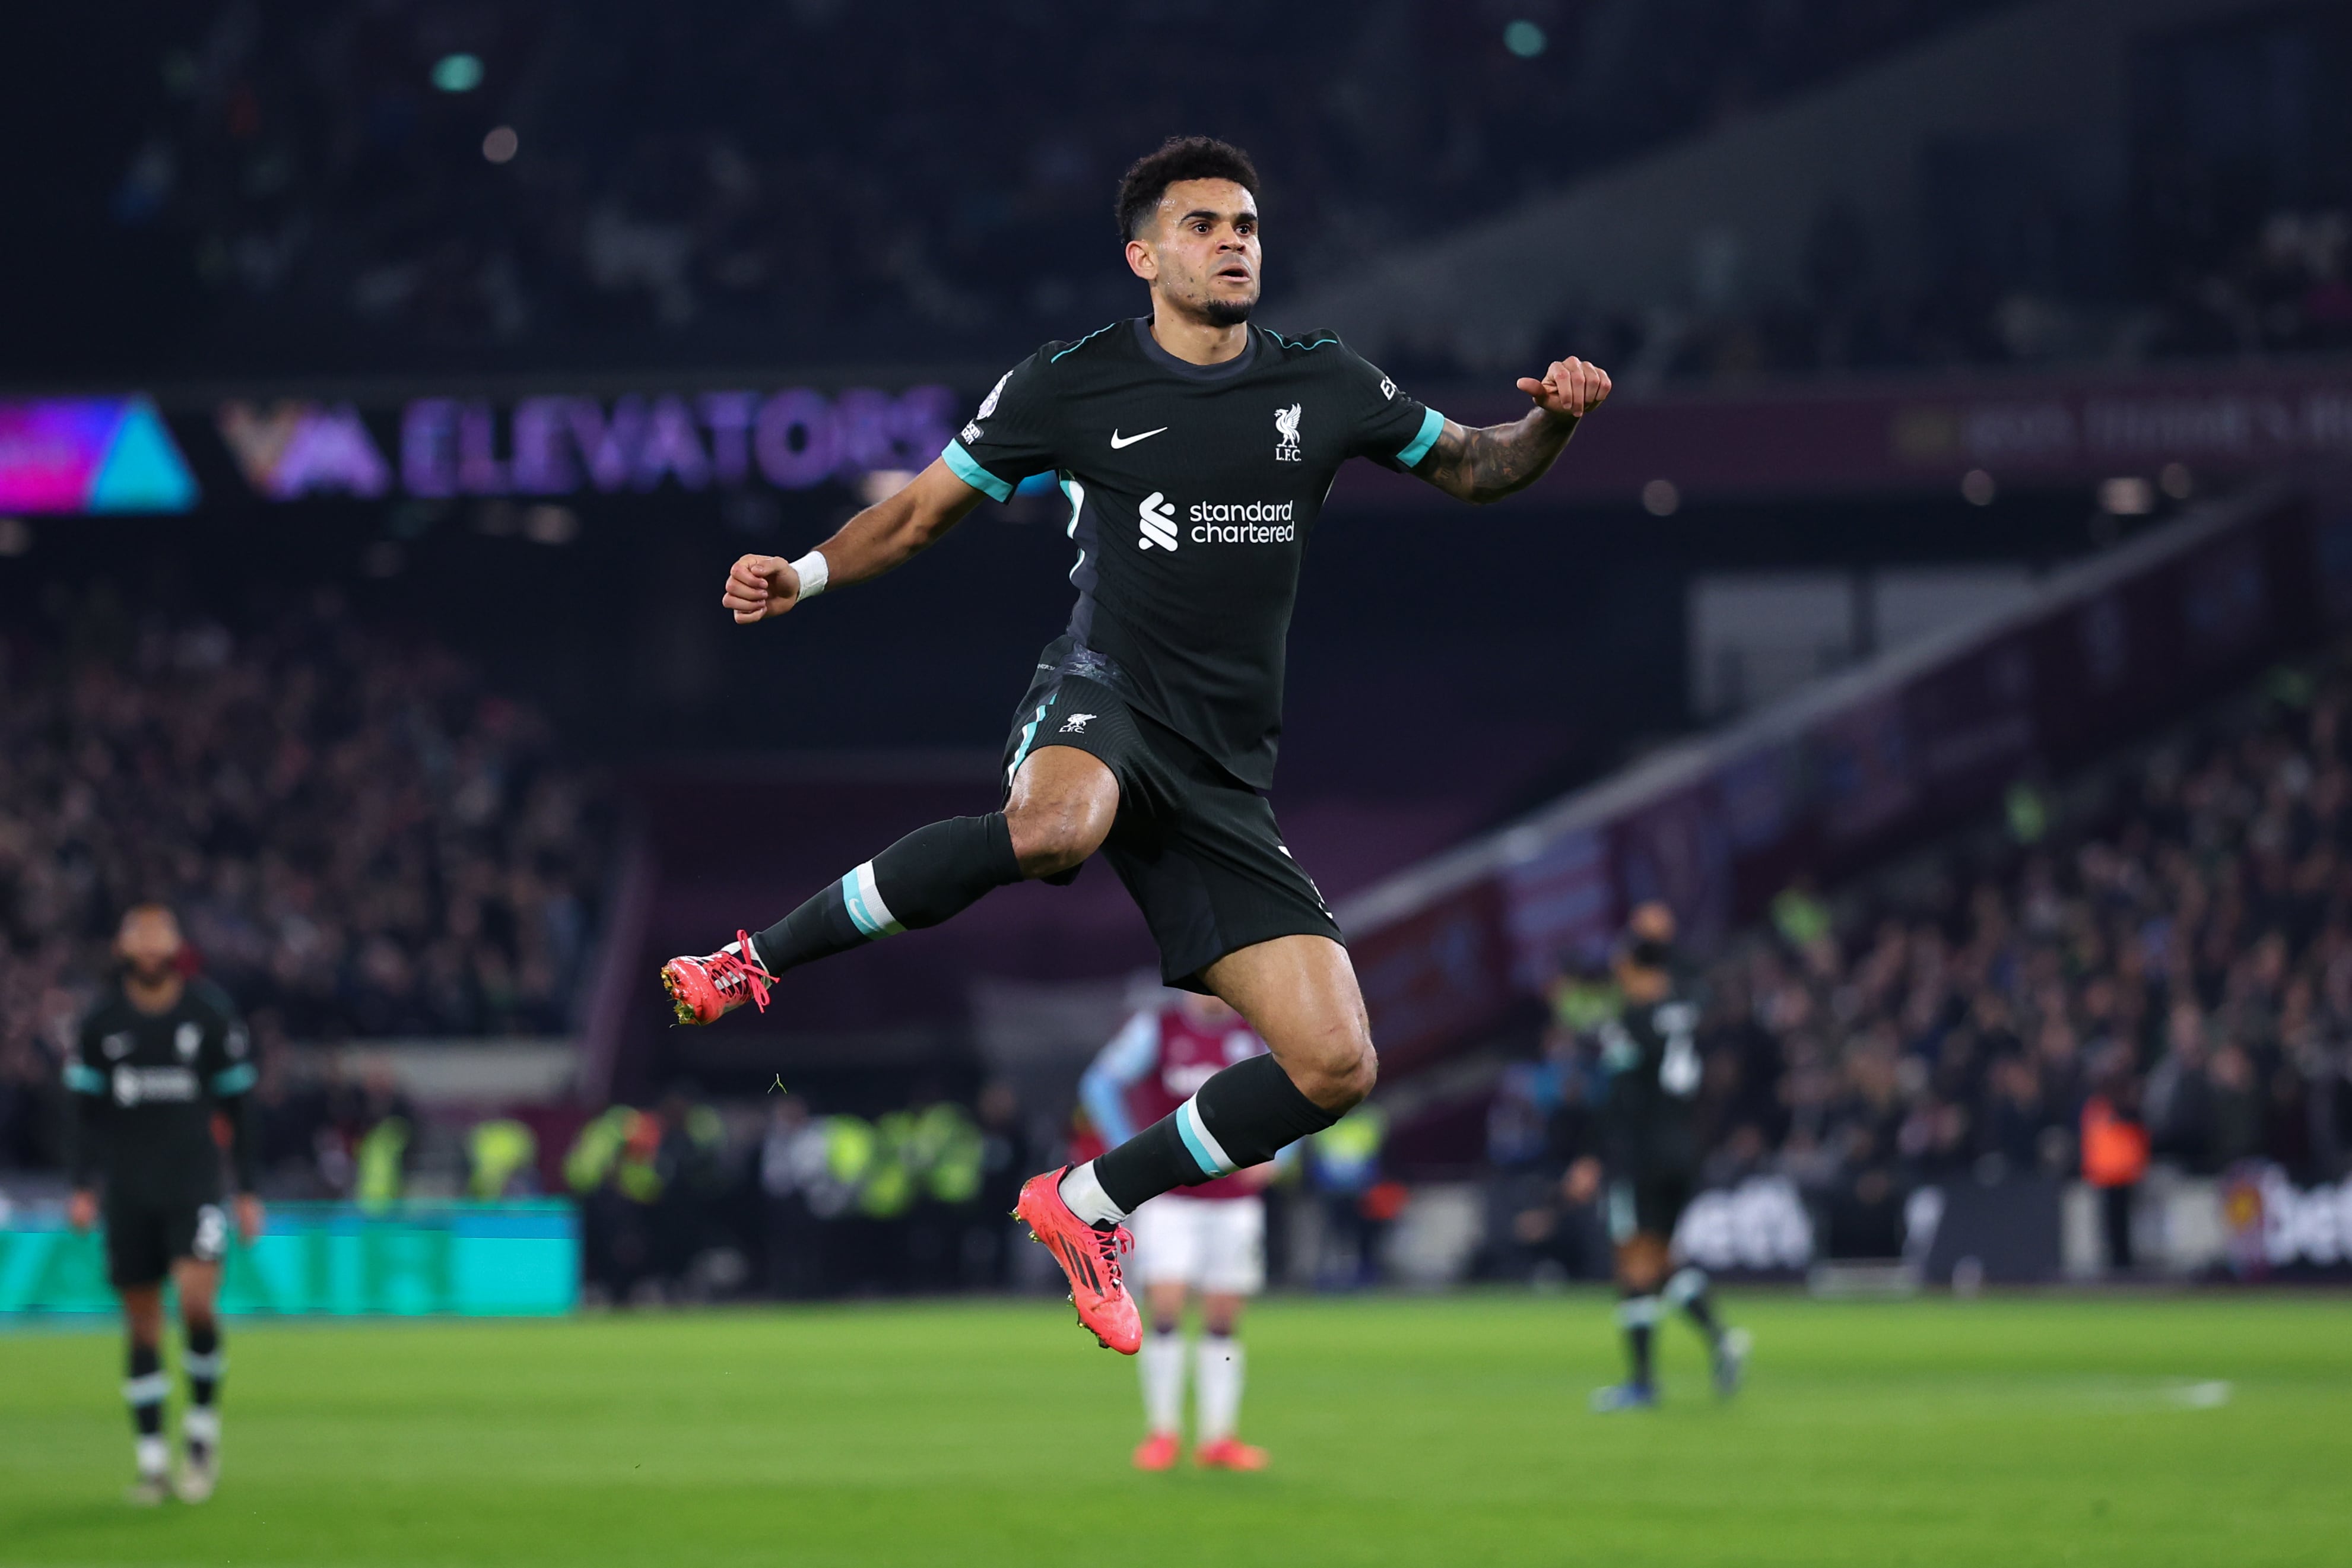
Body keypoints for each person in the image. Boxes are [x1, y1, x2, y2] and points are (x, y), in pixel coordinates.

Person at [658, 134, 1612, 1355]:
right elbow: (918, 514)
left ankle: (1089, 1203)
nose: (1233, 243)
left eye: (1248, 227)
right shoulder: (1069, 383)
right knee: (1057, 827)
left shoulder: (1324, 383)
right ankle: (757, 958)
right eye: (1206, 225)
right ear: (1143, 254)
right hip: (1103, 692)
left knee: (1335, 1062)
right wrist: (799, 574)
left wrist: (1553, 426)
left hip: (1222, 772)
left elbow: (1479, 468)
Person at [60, 904, 263, 1504]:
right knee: (143, 1319)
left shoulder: (209, 1012)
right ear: (125, 948)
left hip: (194, 1184)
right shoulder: (101, 1021)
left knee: (198, 1300)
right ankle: (152, 1461)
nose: (150, 948)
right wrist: (80, 1185)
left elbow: (241, 1106)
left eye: (160, 938)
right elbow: (81, 1114)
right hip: (128, 1189)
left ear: (175, 945)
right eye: (139, 938)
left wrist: (247, 1188)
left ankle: (201, 1433)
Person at [1081, 991, 1278, 1470]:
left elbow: (1294, 1092)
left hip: (1234, 1201)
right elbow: (1100, 1084)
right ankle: (1163, 1433)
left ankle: (1218, 1437)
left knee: (1222, 1317)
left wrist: (1281, 1154)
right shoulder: (1159, 1029)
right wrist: (1127, 1146)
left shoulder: (1253, 1030)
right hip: (1172, 1198)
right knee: (1165, 1307)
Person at [1566, 904, 1749, 1411]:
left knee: (1632, 1262)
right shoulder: (1686, 1010)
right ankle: (1721, 1340)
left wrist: (1589, 1157)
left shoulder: (1629, 1022)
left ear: (1632, 969)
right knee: (1661, 1259)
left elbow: (1617, 1099)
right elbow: (1695, 979)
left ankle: (1642, 1383)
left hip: (1641, 1154)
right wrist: (1663, 941)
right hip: (1684, 1150)